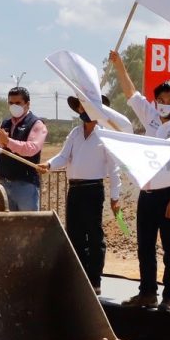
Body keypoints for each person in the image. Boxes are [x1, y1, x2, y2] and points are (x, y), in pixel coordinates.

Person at [109, 51, 170, 313]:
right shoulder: (152, 118)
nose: (164, 104)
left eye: (169, 100)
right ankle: (147, 293)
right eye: (160, 100)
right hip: (147, 193)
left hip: (168, 195)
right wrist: (120, 65)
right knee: (145, 246)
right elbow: (131, 93)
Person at [38, 96, 121, 295]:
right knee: (75, 234)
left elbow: (114, 168)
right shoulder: (75, 133)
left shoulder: (106, 136)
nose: (82, 110)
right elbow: (64, 157)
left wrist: (115, 196)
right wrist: (48, 165)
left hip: (93, 189)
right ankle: (80, 277)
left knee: (94, 235)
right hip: (74, 189)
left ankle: (94, 280)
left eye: (87, 106)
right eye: (80, 106)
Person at [0, 86, 47, 211]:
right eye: (11, 103)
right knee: (8, 226)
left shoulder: (36, 124)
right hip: (4, 183)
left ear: (27, 104)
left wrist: (7, 141)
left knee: (28, 225)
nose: (14, 106)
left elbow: (32, 148)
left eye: (18, 103)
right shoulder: (5, 123)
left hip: (25, 184)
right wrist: (0, 144)